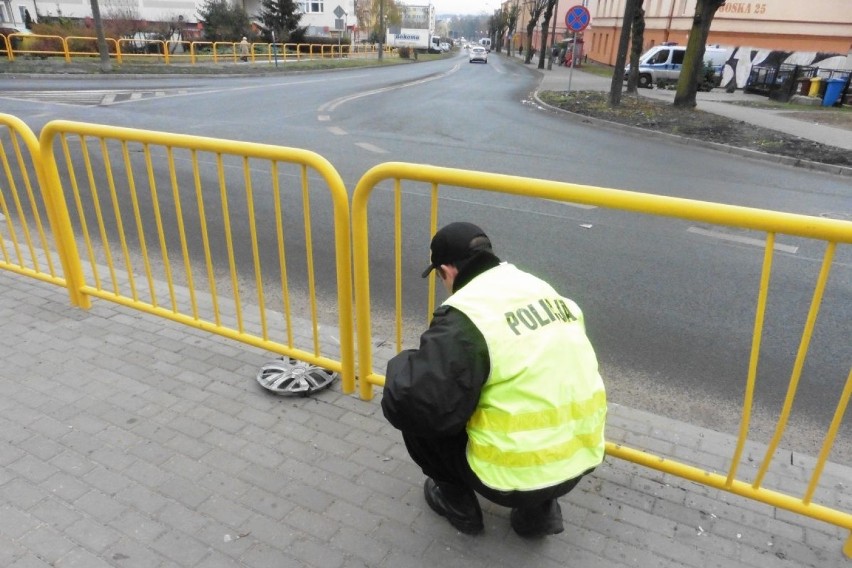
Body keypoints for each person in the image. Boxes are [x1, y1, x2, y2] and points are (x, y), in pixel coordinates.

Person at [381, 222, 607, 537]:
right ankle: (539, 515)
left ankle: (459, 506)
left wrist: (405, 363)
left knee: (415, 404)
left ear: (446, 270)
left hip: (510, 476)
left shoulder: (468, 314)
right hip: (579, 458)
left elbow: (412, 402)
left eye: (439, 276)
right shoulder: (537, 286)